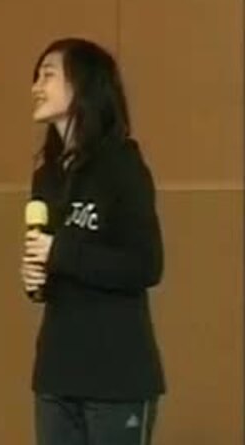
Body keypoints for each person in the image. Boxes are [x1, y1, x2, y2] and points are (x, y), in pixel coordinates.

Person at [21, 38, 165, 445]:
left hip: (116, 378)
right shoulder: (47, 177)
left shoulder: (122, 165)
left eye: (48, 74)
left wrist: (60, 252)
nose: (36, 86)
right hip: (56, 376)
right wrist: (35, 279)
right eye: (36, 77)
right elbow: (55, 267)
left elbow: (146, 265)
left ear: (82, 84)